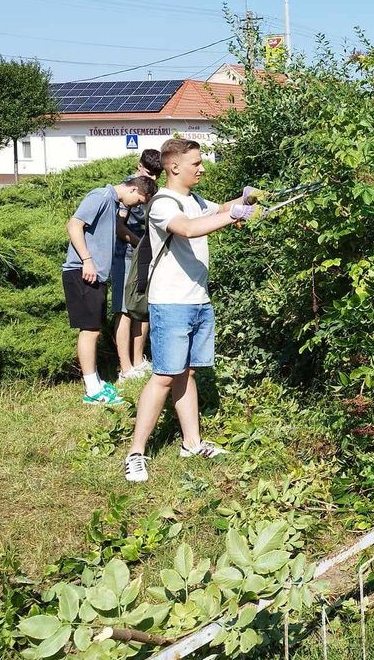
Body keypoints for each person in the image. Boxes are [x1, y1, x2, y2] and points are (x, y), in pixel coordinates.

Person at [123, 138, 258, 483]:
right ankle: (136, 453)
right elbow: (188, 228)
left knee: (187, 373)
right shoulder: (163, 205)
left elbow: (215, 210)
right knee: (165, 375)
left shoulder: (194, 199)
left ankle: (192, 443)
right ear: (174, 167)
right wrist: (234, 216)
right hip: (170, 302)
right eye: (196, 163)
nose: (202, 167)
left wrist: (245, 200)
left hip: (198, 299)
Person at [63, 175, 158, 407]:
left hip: (95, 273)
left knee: (93, 329)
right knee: (90, 331)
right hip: (82, 271)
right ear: (133, 188)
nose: (137, 205)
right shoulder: (101, 196)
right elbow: (73, 224)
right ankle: (92, 390)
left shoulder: (114, 203)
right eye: (138, 200)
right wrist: (87, 260)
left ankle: (95, 382)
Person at [113, 149, 163, 382]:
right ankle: (125, 369)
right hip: (125, 255)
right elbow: (119, 227)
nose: (152, 178)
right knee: (124, 310)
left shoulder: (155, 191)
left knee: (142, 309)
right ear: (139, 165)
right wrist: (141, 243)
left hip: (145, 256)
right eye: (149, 172)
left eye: (157, 174)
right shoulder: (128, 190)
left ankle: (138, 360)